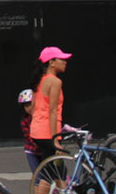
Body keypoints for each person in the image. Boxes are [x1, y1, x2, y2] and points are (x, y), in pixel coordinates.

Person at [30, 45, 71, 191]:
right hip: (48, 133)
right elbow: (52, 111)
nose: (65, 62)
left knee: (55, 172)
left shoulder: (39, 80)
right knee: (53, 173)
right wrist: (55, 140)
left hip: (37, 131)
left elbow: (33, 108)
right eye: (61, 59)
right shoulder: (55, 82)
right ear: (51, 62)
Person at [18, 88, 42, 173]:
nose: (29, 108)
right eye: (26, 106)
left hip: (45, 149)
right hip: (32, 150)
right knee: (37, 175)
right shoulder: (25, 121)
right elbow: (28, 136)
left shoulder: (43, 117)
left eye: (31, 104)